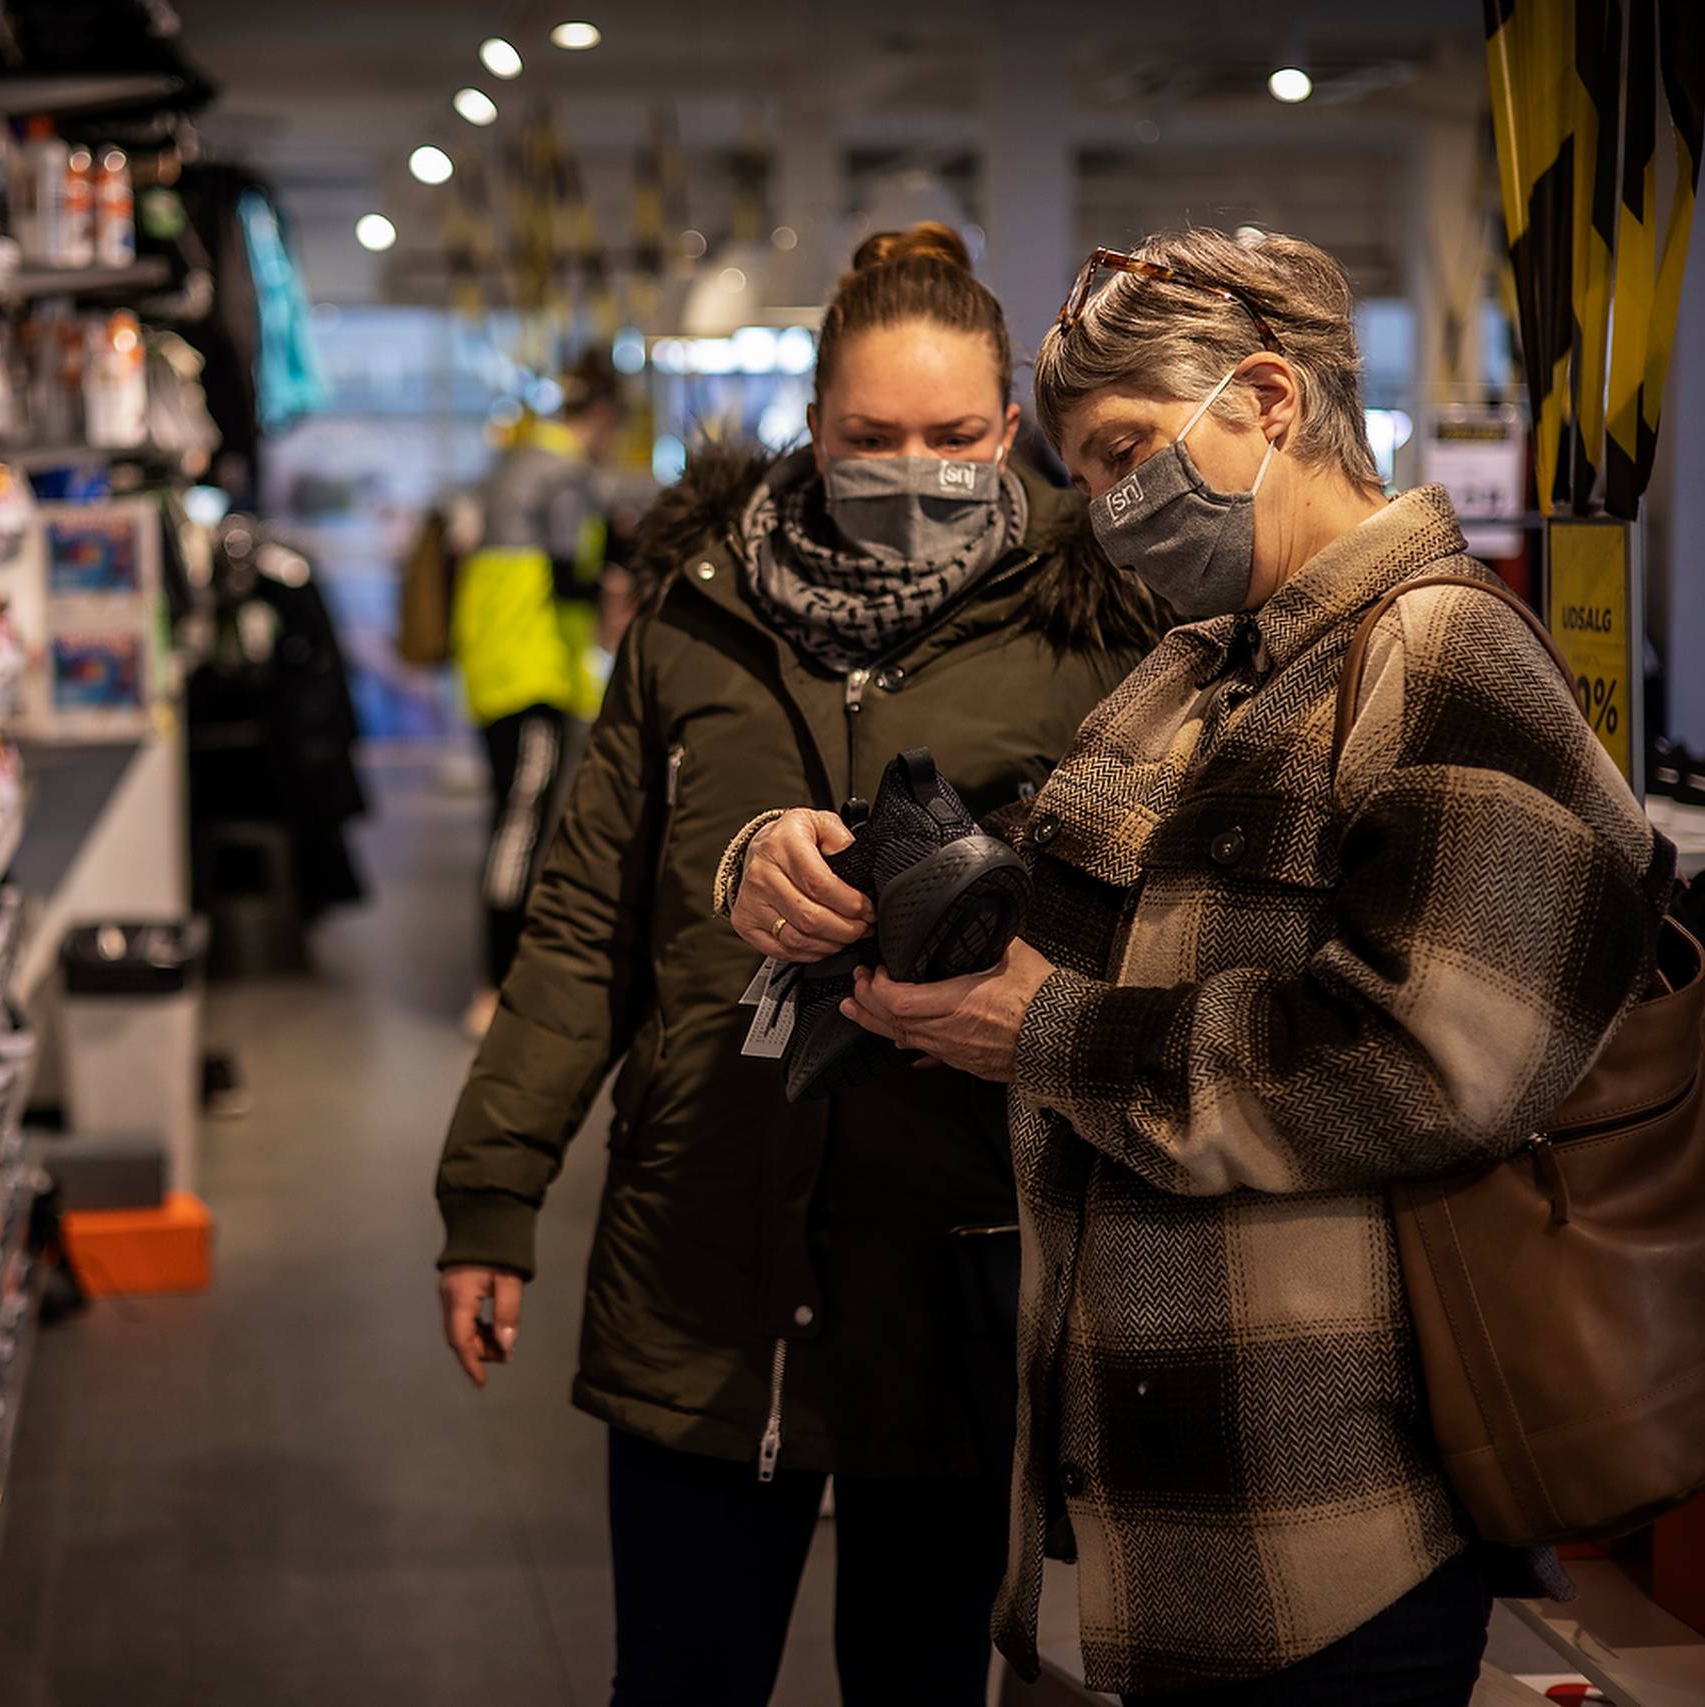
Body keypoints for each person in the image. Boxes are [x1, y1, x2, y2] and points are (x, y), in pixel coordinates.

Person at [747, 227, 1675, 1705]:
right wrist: (842, 885)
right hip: (1137, 1508)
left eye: (1127, 451)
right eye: (1087, 470)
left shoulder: (1445, 657)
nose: (1110, 508)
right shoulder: (1199, 667)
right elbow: (1076, 929)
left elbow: (1433, 1061)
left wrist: (1045, 1032)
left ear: (1266, 398)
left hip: (1323, 1520)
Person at [434, 222, 1158, 1707]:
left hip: (955, 1244)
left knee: (922, 1672)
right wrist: (491, 1194)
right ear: (810, 426)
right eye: (869, 436)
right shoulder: (697, 619)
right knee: (684, 1674)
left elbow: (1149, 922)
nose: (913, 466)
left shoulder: (1095, 627)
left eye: (954, 436)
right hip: (710, 1231)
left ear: (1011, 427)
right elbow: (583, 922)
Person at [450, 351, 627, 1038]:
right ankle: (497, 984)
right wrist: (618, 585)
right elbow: (567, 577)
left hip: (499, 666)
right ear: (605, 416)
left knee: (513, 822)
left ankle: (501, 980)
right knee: (520, 828)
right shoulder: (564, 473)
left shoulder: (517, 461)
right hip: (533, 670)